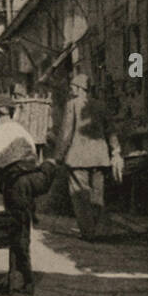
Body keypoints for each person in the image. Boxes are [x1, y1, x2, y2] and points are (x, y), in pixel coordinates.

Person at [0, 92, 57, 295]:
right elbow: (33, 157)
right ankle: (21, 276)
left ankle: (24, 280)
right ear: (14, 113)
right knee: (22, 228)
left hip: (15, 185)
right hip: (34, 181)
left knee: (17, 233)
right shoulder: (23, 132)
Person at [54, 65, 123, 240]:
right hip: (100, 158)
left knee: (80, 196)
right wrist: (115, 151)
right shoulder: (101, 105)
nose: (71, 90)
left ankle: (88, 232)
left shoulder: (72, 105)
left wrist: (59, 156)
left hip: (78, 158)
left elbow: (66, 133)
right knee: (97, 195)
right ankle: (99, 230)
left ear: (78, 88)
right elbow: (111, 131)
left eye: (72, 87)